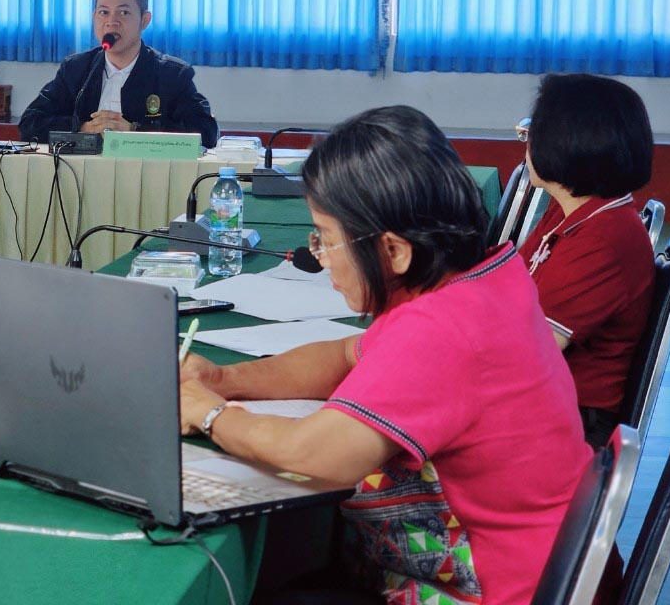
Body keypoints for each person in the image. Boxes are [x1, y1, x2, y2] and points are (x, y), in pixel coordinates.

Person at [179, 106, 591, 605]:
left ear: (394, 251)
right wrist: (222, 380)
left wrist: (210, 414)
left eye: (327, 239)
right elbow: (343, 356)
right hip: (543, 564)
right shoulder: (481, 282)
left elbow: (317, 456)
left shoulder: (441, 329)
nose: (319, 258)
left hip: (497, 591)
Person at [517, 73, 655, 449]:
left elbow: (525, 352)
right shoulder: (573, 211)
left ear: (568, 143)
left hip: (568, 421)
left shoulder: (604, 239)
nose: (526, 142)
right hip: (547, 399)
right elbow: (507, 284)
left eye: (532, 131)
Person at [17, 0, 219, 147]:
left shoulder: (172, 74)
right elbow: (30, 123)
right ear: (94, 17)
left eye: (123, 13)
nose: (111, 22)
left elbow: (206, 132)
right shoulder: (76, 69)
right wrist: (82, 128)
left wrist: (134, 131)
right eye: (103, 12)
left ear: (144, 20)